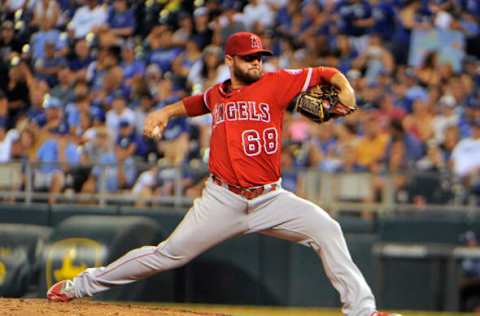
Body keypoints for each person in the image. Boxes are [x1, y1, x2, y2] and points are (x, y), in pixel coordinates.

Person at [47, 32, 395, 316]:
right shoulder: (218, 94)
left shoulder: (277, 83)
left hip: (269, 198)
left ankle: (362, 312)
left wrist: (346, 89)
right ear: (230, 61)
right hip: (222, 198)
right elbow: (194, 103)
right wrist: (165, 113)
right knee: (168, 253)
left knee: (327, 228)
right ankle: (80, 285)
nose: (257, 62)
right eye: (249, 57)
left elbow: (326, 73)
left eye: (260, 57)